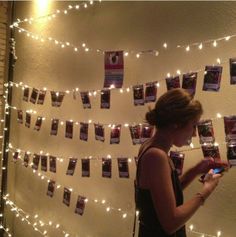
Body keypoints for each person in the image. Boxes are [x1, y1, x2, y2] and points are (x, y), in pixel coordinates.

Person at [134, 88, 228, 237]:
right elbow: (171, 222)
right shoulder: (156, 156)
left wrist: (196, 170)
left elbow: (165, 195)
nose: (194, 133)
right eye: (193, 125)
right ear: (176, 124)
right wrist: (207, 190)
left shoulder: (152, 147)